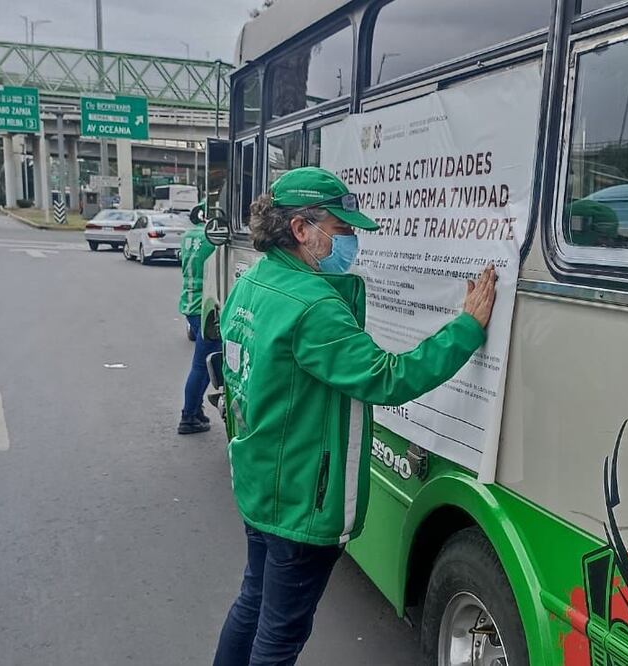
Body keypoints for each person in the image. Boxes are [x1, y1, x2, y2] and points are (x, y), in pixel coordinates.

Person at [213, 167, 497, 666]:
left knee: (252, 604)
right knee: (278, 638)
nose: (349, 241)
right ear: (301, 229)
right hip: (300, 501)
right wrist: (467, 329)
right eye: (341, 229)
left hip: (261, 485)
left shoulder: (252, 282)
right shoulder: (313, 305)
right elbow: (387, 378)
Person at [177, 201, 221, 434]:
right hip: (207, 307)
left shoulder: (187, 236)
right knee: (203, 366)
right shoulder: (211, 237)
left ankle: (196, 409)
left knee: (204, 362)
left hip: (190, 302)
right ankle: (188, 416)